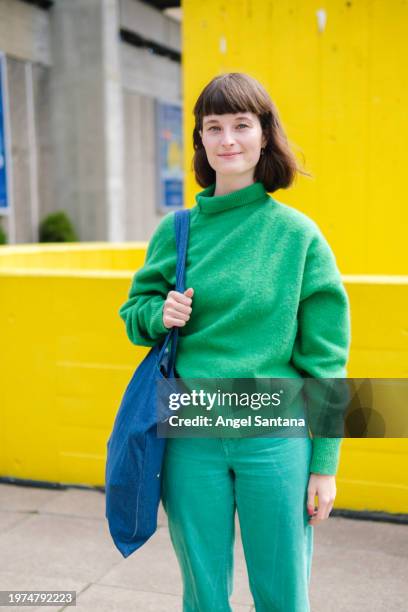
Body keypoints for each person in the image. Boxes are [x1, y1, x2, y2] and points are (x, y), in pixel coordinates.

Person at [119, 73, 351, 612]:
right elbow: (134, 315)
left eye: (242, 125)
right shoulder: (175, 231)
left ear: (265, 135)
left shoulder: (298, 237)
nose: (228, 139)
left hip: (276, 437)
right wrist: (160, 313)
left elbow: (327, 360)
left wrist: (326, 465)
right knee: (202, 590)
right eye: (213, 127)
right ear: (199, 139)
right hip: (189, 433)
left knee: (283, 591)